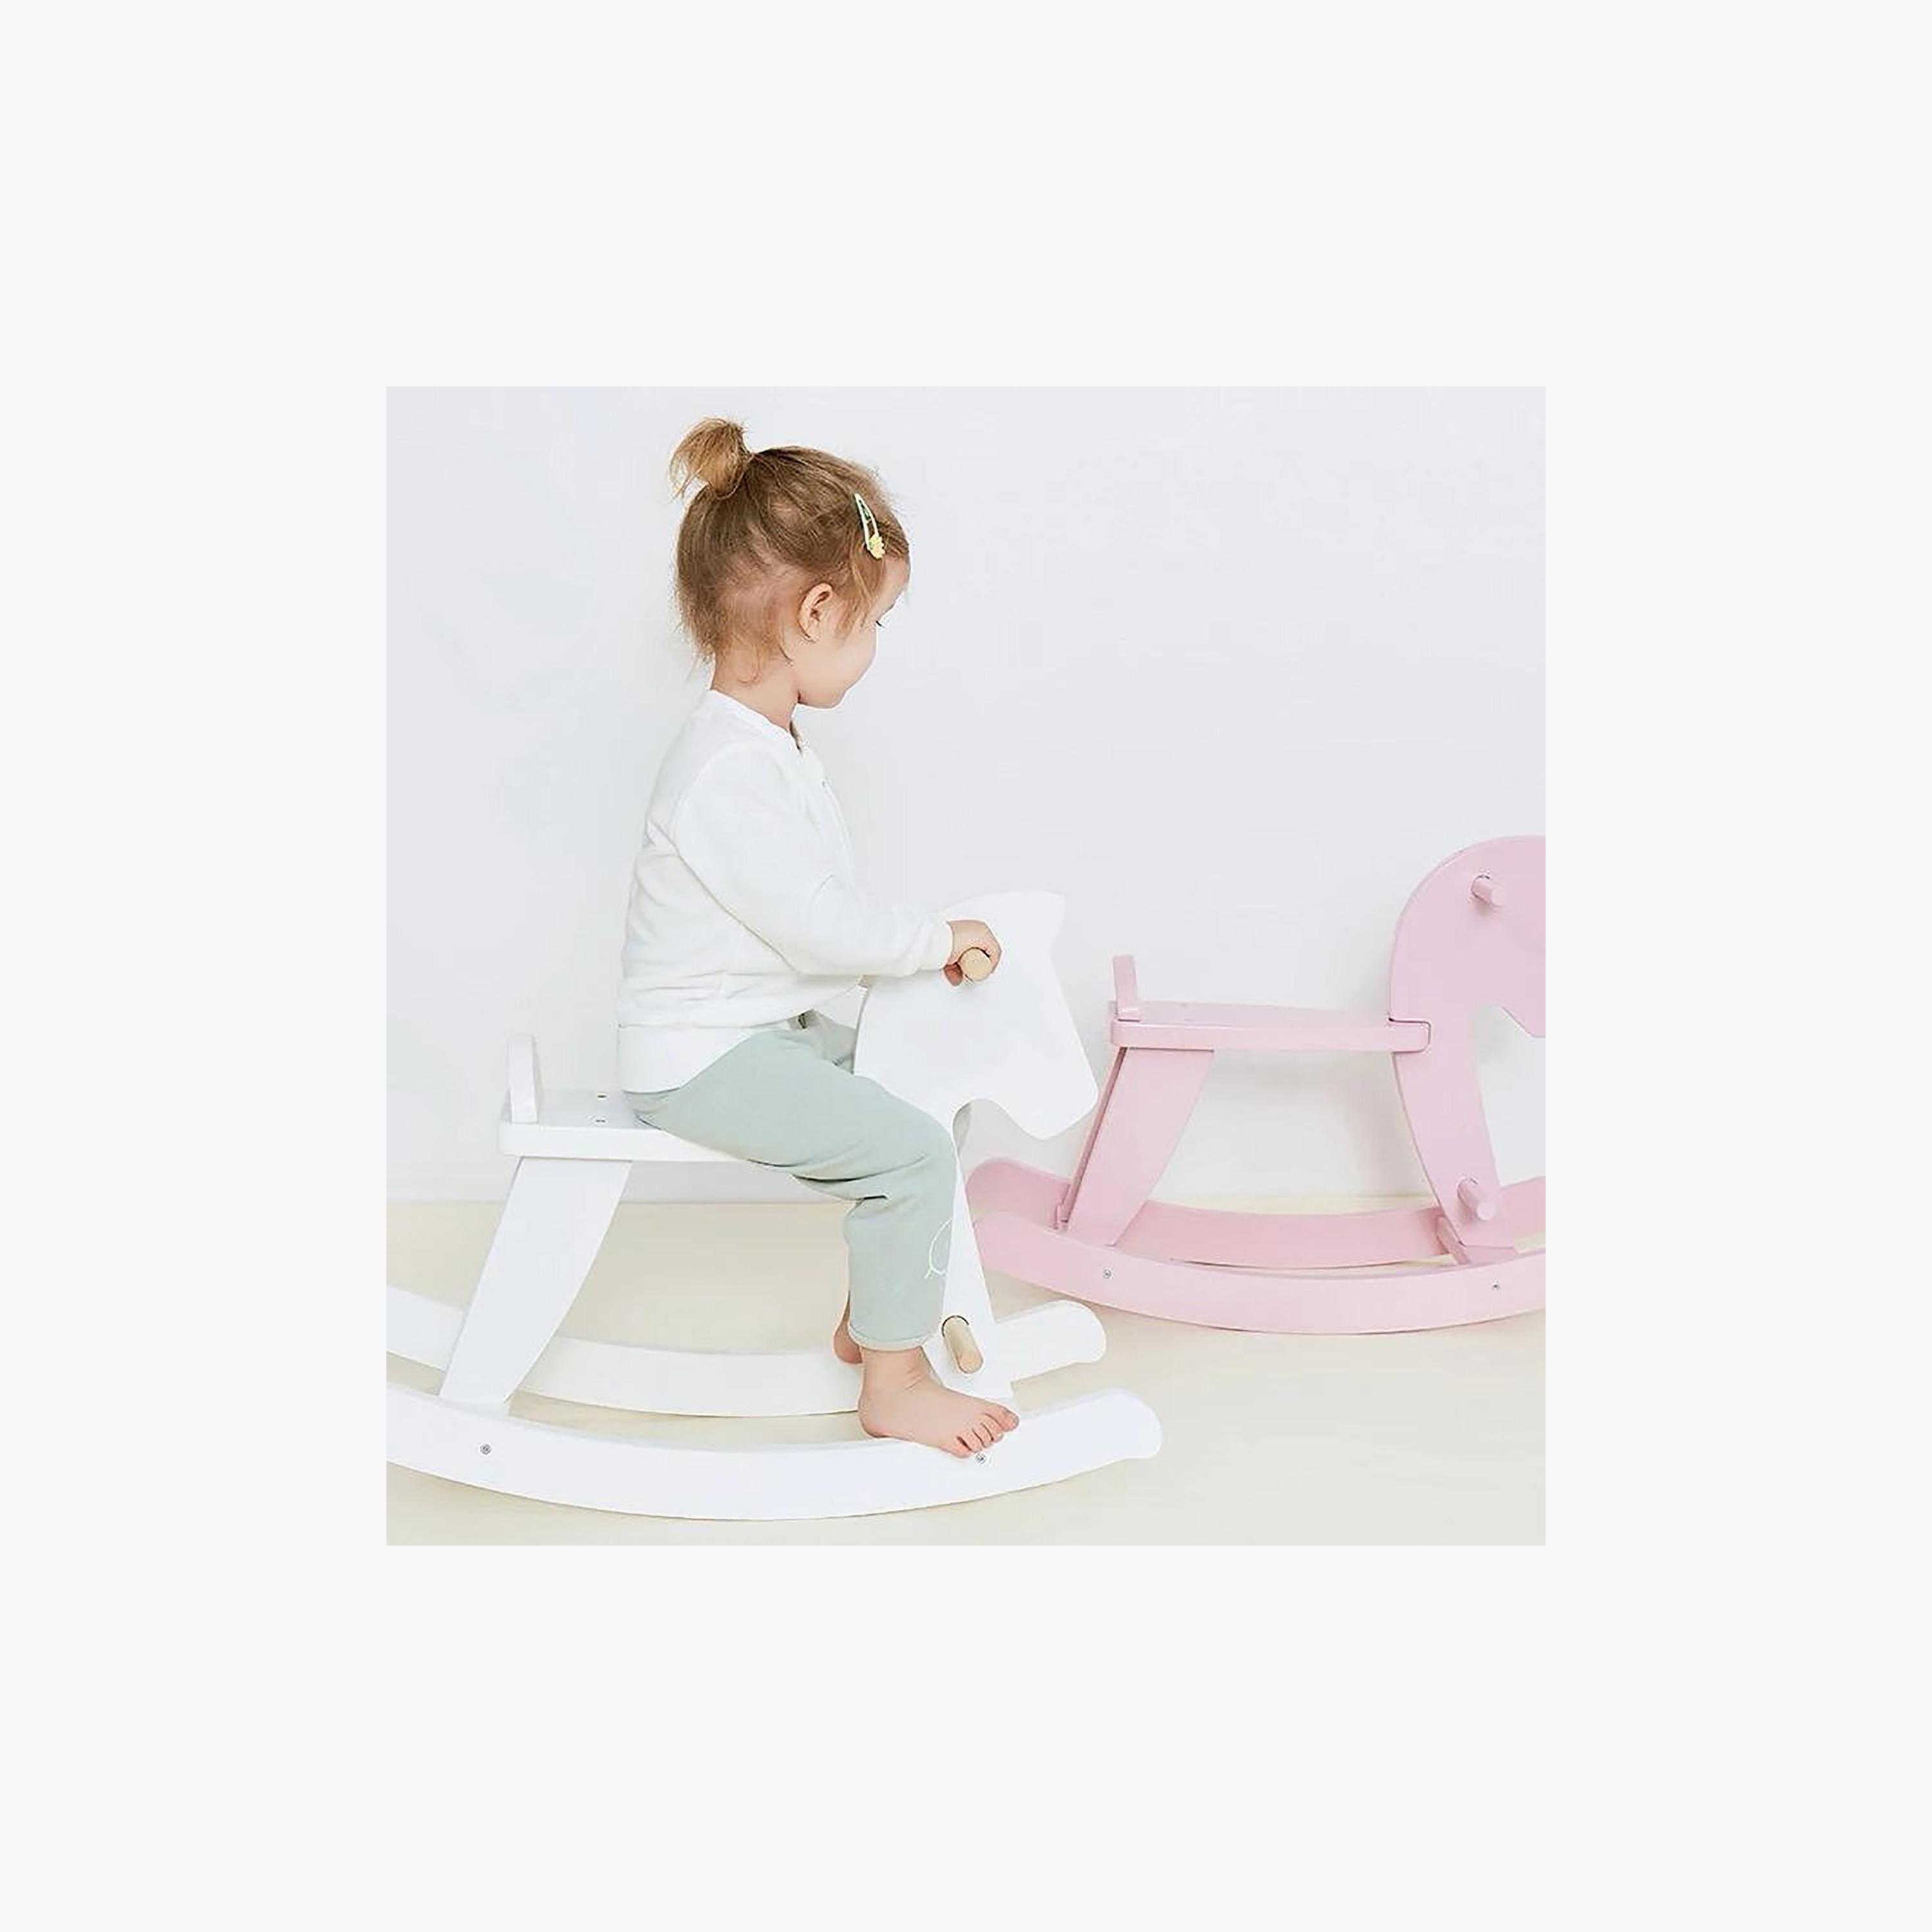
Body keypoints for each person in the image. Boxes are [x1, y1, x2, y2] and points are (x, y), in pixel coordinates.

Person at [618, 419, 1014, 1457]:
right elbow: (815, 923)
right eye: (875, 621)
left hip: (756, 1036)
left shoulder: (764, 747)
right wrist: (932, 939)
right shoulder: (727, 771)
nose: (875, 647)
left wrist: (915, 955)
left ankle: (878, 1313)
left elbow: (805, 913)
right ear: (817, 611)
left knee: (928, 1095)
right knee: (912, 1150)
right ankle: (896, 1383)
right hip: (703, 1057)